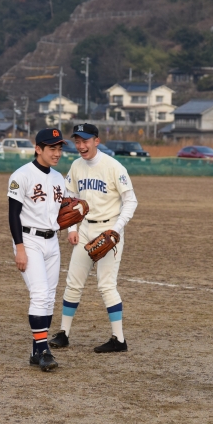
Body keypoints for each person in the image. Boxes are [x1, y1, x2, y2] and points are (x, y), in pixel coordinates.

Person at [48, 123, 137, 353]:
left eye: (85, 141)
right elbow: (70, 198)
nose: (81, 146)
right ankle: (64, 333)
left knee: (106, 285)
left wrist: (116, 230)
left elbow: (131, 201)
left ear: (96, 141)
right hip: (86, 228)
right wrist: (72, 229)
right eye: (77, 141)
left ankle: (119, 340)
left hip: (109, 230)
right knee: (73, 282)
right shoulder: (76, 166)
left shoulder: (113, 167)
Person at [7, 128, 67, 372]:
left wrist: (75, 223)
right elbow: (12, 214)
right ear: (38, 149)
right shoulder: (22, 175)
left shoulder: (59, 178)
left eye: (59, 148)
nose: (57, 153)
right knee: (40, 294)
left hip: (52, 241)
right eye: (52, 148)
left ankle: (36, 351)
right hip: (29, 240)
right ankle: (43, 351)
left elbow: (64, 210)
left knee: (50, 297)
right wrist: (19, 248)